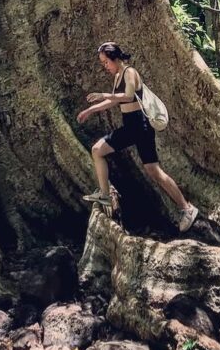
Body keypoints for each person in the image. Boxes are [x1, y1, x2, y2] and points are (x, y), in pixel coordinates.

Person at [77, 42, 199, 233]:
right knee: (99, 151)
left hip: (140, 126)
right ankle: (104, 194)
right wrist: (90, 110)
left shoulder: (130, 72)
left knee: (153, 171)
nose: (105, 66)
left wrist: (102, 94)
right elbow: (113, 100)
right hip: (131, 126)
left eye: (106, 62)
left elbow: (127, 96)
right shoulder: (118, 75)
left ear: (115, 58)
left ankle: (187, 208)